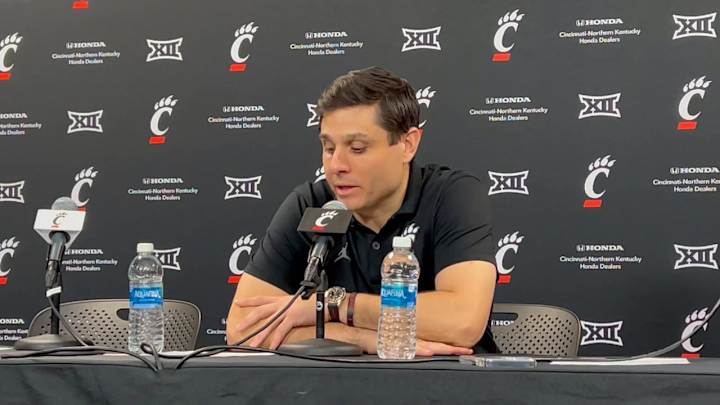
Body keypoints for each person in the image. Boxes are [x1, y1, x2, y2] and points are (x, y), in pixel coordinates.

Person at [226, 66, 498, 355]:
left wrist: (335, 306)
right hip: (335, 382)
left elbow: (462, 322)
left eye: (357, 148)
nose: (336, 166)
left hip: (442, 380)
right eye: (329, 148)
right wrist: (357, 338)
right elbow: (242, 330)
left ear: (408, 144)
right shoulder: (311, 203)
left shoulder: (452, 195)